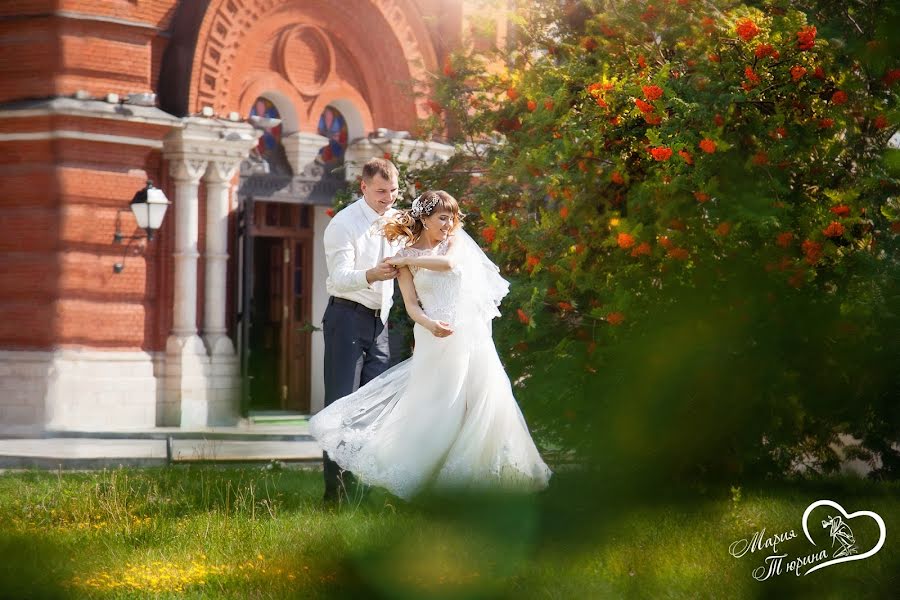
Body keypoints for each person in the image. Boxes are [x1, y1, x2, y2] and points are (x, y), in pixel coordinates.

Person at [310, 190, 551, 500]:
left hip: (468, 335)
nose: (449, 223)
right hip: (433, 335)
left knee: (479, 402)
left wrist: (407, 257)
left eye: (452, 217)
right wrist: (428, 324)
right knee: (436, 404)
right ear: (424, 219)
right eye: (442, 217)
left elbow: (449, 264)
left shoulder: (453, 243)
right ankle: (427, 481)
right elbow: (411, 305)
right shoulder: (407, 256)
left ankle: (481, 482)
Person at [320, 157, 400, 503]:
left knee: (372, 409)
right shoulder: (343, 224)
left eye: (394, 190)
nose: (389, 198)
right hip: (346, 319)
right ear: (364, 187)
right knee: (341, 408)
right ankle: (334, 495)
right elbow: (339, 278)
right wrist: (372, 274)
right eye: (381, 191)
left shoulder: (397, 219)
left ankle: (361, 491)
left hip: (379, 323)